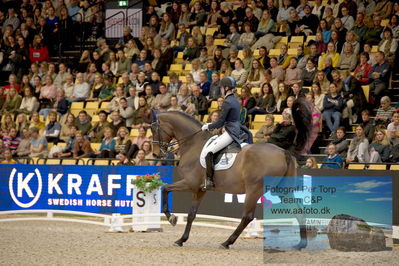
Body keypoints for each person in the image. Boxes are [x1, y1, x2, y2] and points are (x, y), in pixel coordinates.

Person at [200, 77, 242, 190]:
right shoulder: (235, 100)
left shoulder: (227, 101)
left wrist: (207, 126)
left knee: (209, 152)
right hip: (235, 128)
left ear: (226, 88)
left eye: (222, 88)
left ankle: (209, 181)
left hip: (230, 131)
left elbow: (220, 122)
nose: (221, 90)